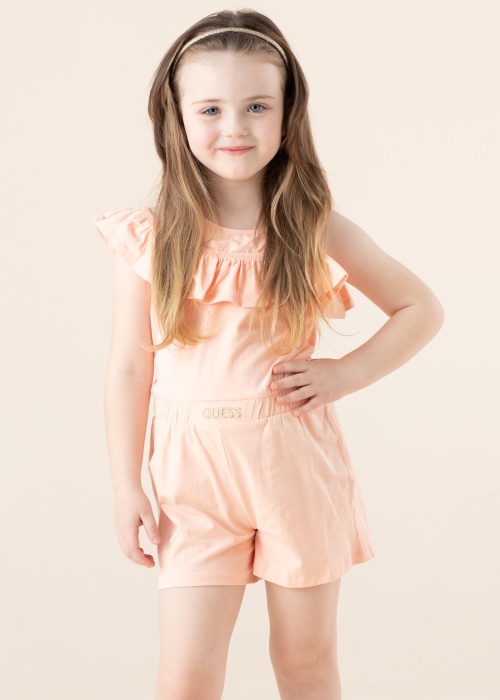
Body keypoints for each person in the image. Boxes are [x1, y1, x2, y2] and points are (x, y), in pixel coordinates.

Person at [93, 9, 444, 700]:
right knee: (185, 678)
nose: (235, 127)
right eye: (211, 109)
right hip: (190, 477)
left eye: (257, 106)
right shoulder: (150, 237)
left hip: (294, 467)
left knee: (303, 662)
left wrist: (344, 373)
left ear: (288, 114)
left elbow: (420, 308)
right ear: (176, 118)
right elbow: (130, 368)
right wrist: (126, 484)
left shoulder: (313, 226)